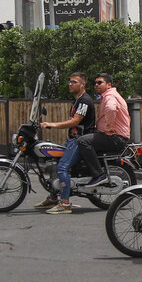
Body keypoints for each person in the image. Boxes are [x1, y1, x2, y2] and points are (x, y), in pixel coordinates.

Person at [35, 72, 97, 214]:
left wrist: (52, 125)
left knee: (62, 167)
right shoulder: (77, 100)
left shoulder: (84, 101)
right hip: (73, 139)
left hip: (80, 141)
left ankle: (65, 203)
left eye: (74, 82)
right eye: (70, 81)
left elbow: (75, 121)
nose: (70, 84)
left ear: (82, 84)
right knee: (55, 162)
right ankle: (53, 198)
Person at [79, 73, 132, 188]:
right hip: (118, 136)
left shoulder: (109, 96)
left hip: (115, 137)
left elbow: (111, 108)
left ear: (109, 84)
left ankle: (98, 175)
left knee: (83, 141)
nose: (96, 85)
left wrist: (108, 128)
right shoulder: (109, 95)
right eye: (95, 83)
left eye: (100, 82)